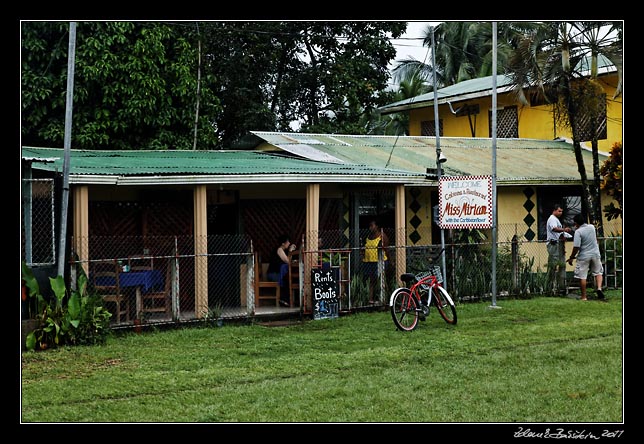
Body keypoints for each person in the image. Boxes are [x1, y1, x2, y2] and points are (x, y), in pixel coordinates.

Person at [567, 214, 605, 301]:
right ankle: (599, 288)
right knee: (598, 272)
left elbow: (576, 246)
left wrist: (571, 257)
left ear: (576, 223)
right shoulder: (591, 227)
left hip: (584, 256)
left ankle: (584, 297)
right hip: (595, 254)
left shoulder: (578, 232)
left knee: (582, 276)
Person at [362, 219, 390, 304]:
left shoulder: (382, 236)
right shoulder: (368, 237)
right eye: (369, 226)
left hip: (379, 261)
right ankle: (370, 299)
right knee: (371, 280)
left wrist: (390, 260)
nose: (370, 228)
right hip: (368, 261)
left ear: (377, 226)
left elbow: (386, 249)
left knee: (379, 279)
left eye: (372, 225)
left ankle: (383, 298)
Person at [546, 204, 572, 294]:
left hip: (559, 244)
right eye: (559, 211)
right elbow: (554, 229)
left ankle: (561, 286)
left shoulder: (556, 219)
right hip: (553, 244)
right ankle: (549, 287)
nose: (561, 213)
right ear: (554, 210)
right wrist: (564, 230)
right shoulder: (552, 218)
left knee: (561, 265)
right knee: (553, 266)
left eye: (562, 211)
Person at [267, 234, 296, 306]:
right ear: (283, 243)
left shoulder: (283, 250)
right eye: (288, 242)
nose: (289, 243)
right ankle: (284, 299)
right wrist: (290, 251)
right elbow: (287, 261)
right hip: (273, 274)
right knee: (287, 279)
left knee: (287, 278)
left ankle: (287, 300)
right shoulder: (279, 249)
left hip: (277, 273)